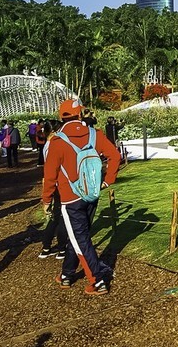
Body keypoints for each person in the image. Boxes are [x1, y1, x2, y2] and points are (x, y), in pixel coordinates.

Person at [41, 98, 121, 294]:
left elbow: (50, 174)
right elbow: (115, 156)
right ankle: (67, 274)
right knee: (77, 236)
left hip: (70, 197)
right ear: (80, 114)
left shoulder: (58, 142)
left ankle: (97, 280)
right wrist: (107, 180)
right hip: (91, 193)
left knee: (80, 238)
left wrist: (47, 199)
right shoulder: (95, 134)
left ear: (61, 117)